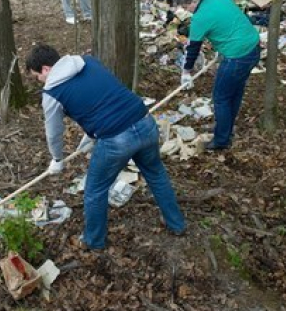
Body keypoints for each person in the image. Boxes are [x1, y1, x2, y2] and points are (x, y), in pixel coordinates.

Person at [25, 44, 185, 250]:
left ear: (46, 69)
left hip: (116, 139)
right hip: (144, 122)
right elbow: (103, 95)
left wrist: (56, 159)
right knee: (156, 174)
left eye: (37, 76)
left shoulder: (52, 92)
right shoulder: (87, 61)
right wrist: (90, 134)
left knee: (95, 190)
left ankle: (94, 241)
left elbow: (54, 133)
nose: (40, 81)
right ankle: (177, 224)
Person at [176, 0, 260, 151]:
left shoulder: (199, 18)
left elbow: (193, 48)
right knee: (235, 91)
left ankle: (221, 140)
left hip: (237, 57)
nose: (187, 11)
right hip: (253, 48)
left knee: (220, 97)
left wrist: (186, 72)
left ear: (194, 1)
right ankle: (225, 128)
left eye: (187, 7)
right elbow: (232, 20)